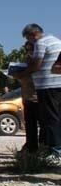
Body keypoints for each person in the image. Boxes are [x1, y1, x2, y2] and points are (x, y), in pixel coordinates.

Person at [15, 24, 61, 164]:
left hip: (48, 86)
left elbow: (36, 65)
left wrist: (20, 74)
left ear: (33, 34)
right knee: (57, 117)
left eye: (29, 38)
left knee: (51, 119)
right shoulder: (56, 40)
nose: (30, 42)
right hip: (57, 84)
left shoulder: (41, 43)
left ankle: (56, 151)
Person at [16, 40, 42, 152]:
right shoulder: (26, 62)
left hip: (38, 98)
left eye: (31, 49)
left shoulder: (38, 63)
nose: (29, 52)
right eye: (26, 49)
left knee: (43, 125)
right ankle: (31, 147)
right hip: (27, 97)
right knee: (30, 125)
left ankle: (43, 147)